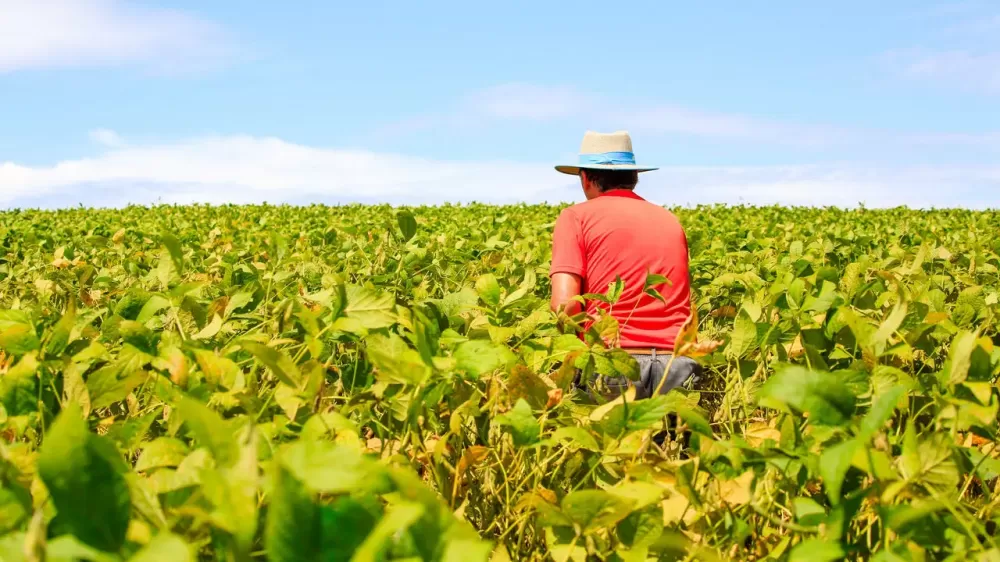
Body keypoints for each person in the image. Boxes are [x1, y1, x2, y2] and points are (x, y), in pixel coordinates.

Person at [549, 130, 700, 400]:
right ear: (634, 177)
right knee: (672, 431)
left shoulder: (575, 217)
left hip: (614, 362)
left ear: (585, 178)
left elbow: (565, 306)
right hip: (678, 363)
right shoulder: (670, 220)